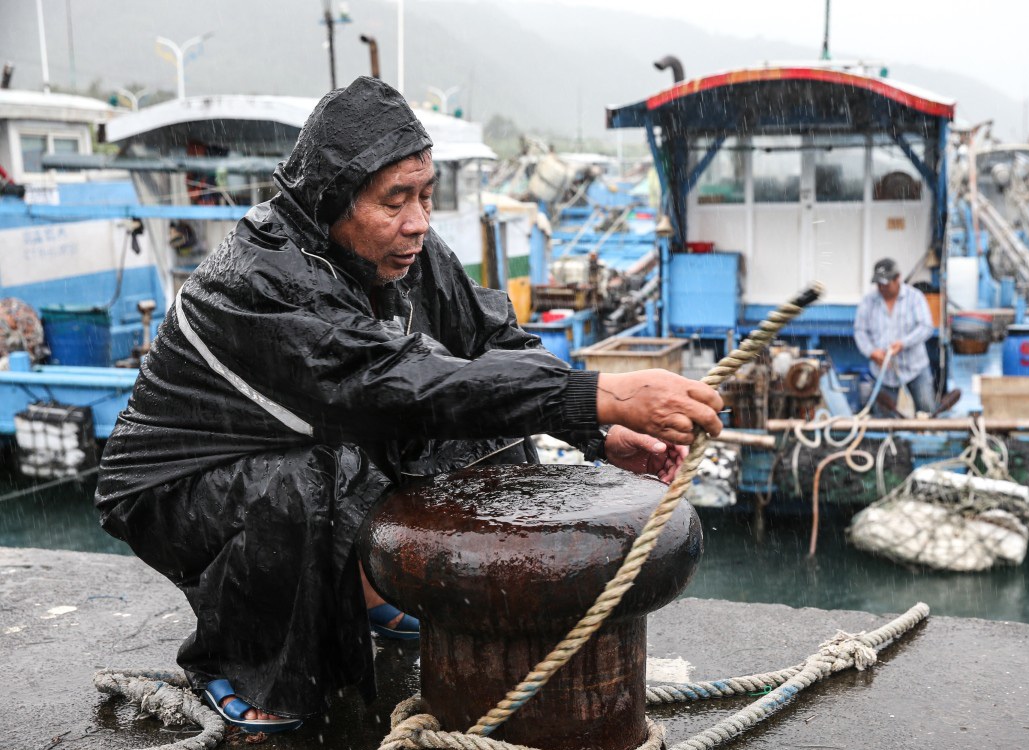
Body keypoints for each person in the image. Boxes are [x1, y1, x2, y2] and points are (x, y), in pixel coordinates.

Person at [93, 77, 723, 732]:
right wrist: (601, 395)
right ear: (333, 199)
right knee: (304, 485)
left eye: (425, 195)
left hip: (315, 430)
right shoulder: (263, 280)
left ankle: (383, 591)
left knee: (487, 419)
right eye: (396, 200)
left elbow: (496, 344)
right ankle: (248, 662)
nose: (419, 221)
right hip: (174, 486)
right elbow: (393, 383)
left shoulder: (403, 249)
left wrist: (597, 432)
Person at [853, 257, 936, 416]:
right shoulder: (868, 302)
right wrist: (872, 352)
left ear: (898, 278)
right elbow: (860, 331)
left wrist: (903, 343)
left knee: (927, 415)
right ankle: (890, 441)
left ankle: (926, 439)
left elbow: (926, 327)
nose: (882, 288)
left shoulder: (915, 297)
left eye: (886, 283)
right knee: (883, 421)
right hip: (884, 374)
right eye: (879, 284)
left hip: (915, 369)